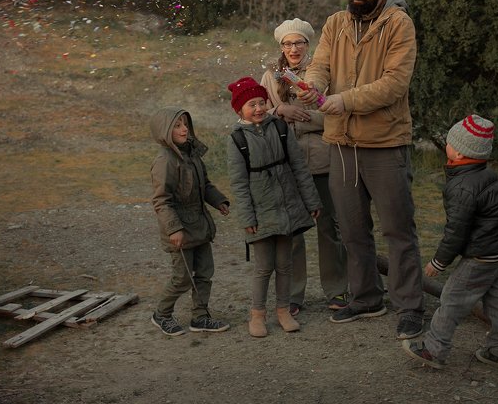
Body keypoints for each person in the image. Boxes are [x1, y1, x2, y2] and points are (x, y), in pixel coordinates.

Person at [297, 0, 425, 341]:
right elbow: (320, 65)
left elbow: (393, 85)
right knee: (352, 228)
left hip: (384, 144)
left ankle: (410, 307)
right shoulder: (336, 23)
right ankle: (367, 296)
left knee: (398, 230)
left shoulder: (398, 25)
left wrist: (344, 101)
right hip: (341, 145)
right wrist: (313, 86)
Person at [402, 114, 498, 369]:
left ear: (459, 154)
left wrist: (439, 262)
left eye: (450, 142)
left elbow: (456, 232)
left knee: (452, 299)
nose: (447, 144)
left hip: (481, 258)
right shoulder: (490, 177)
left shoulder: (463, 187)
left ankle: (434, 350)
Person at [260, 18, 349, 315]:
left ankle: (336, 290)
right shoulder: (271, 77)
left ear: (308, 45)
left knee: (329, 228)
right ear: (281, 47)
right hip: (287, 162)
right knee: (293, 233)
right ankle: (292, 295)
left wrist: (307, 117)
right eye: (287, 44)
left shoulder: (323, 73)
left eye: (299, 43)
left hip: (323, 160)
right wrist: (279, 110)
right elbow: (254, 115)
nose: (293, 49)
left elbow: (337, 113)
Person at [226, 76, 322, 337]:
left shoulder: (279, 128)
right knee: (263, 266)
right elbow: (238, 184)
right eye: (250, 105)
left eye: (260, 102)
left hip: (287, 206)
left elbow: (299, 168)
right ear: (239, 110)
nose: (257, 109)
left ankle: (283, 310)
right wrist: (247, 217)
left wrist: (311, 201)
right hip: (260, 211)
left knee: (285, 263)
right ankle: (257, 314)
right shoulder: (237, 140)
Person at [149, 107, 232, 336]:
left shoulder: (192, 154)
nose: (184, 129)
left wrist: (219, 201)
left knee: (205, 273)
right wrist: (174, 229)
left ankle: (200, 316)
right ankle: (162, 314)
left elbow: (204, 184)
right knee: (182, 278)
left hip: (200, 225)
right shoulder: (165, 161)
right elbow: (161, 201)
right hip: (180, 230)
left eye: (185, 124)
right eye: (177, 125)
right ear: (165, 131)